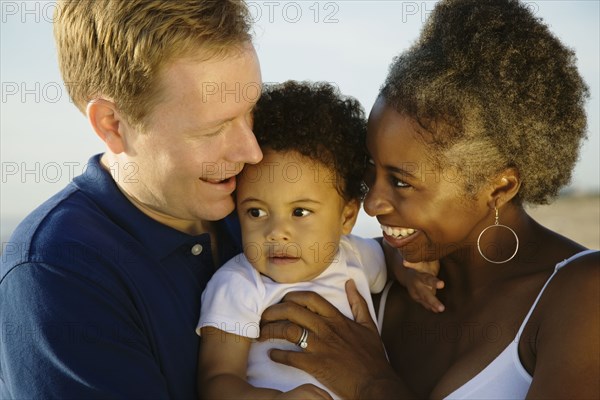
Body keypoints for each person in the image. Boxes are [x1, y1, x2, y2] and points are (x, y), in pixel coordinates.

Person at [258, 1, 599, 399]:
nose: (372, 204)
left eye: (401, 182)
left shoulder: (581, 296)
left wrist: (373, 383)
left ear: (500, 187)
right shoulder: (370, 280)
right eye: (371, 167)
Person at [0, 1, 263, 398]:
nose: (252, 152)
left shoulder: (263, 203)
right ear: (113, 124)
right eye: (214, 130)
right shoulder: (56, 270)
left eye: (251, 112)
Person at [197, 81, 440, 400]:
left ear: (346, 217)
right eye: (256, 212)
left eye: (299, 212)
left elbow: (388, 255)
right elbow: (216, 381)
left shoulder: (353, 254)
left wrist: (409, 273)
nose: (276, 232)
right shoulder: (238, 284)